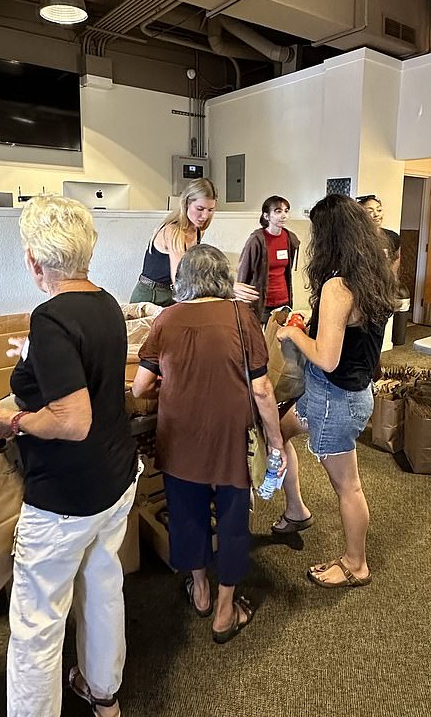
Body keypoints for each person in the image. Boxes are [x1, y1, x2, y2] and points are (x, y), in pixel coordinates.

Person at [0, 195, 139, 717]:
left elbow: (72, 421)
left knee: (37, 625)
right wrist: (33, 359)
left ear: (34, 260)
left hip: (65, 498)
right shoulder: (106, 303)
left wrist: (15, 421)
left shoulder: (49, 317)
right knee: (102, 587)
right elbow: (88, 372)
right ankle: (104, 694)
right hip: (114, 480)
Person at [132, 244, 286, 643]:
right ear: (223, 277)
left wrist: (175, 389)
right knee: (234, 518)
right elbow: (263, 389)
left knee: (186, 514)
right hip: (230, 436)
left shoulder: (166, 319)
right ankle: (224, 610)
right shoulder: (241, 316)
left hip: (179, 436)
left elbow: (141, 386)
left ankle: (199, 591)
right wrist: (276, 442)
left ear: (183, 279)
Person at [274, 193, 397, 588]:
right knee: (278, 431)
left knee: (348, 486)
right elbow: (345, 337)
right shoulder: (375, 275)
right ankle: (297, 510)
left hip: (334, 399)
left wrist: (294, 333)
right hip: (340, 393)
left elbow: (326, 358)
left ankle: (355, 563)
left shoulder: (337, 286)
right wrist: (311, 325)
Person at [130, 177, 258, 307]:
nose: (205, 216)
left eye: (210, 210)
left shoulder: (198, 231)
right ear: (186, 203)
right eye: (200, 208)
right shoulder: (173, 232)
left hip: (173, 295)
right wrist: (225, 286)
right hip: (152, 296)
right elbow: (180, 279)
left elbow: (195, 270)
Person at [238, 195, 300, 323]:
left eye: (286, 211)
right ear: (266, 216)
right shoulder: (256, 240)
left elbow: (287, 270)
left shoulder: (290, 238)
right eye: (278, 211)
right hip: (262, 303)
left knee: (278, 340)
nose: (284, 215)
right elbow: (244, 273)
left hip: (283, 301)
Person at [356, 194, 401, 272]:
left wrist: (392, 277)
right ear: (361, 215)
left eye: (379, 210)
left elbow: (396, 259)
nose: (376, 214)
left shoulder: (392, 236)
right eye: (370, 211)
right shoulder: (355, 237)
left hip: (384, 281)